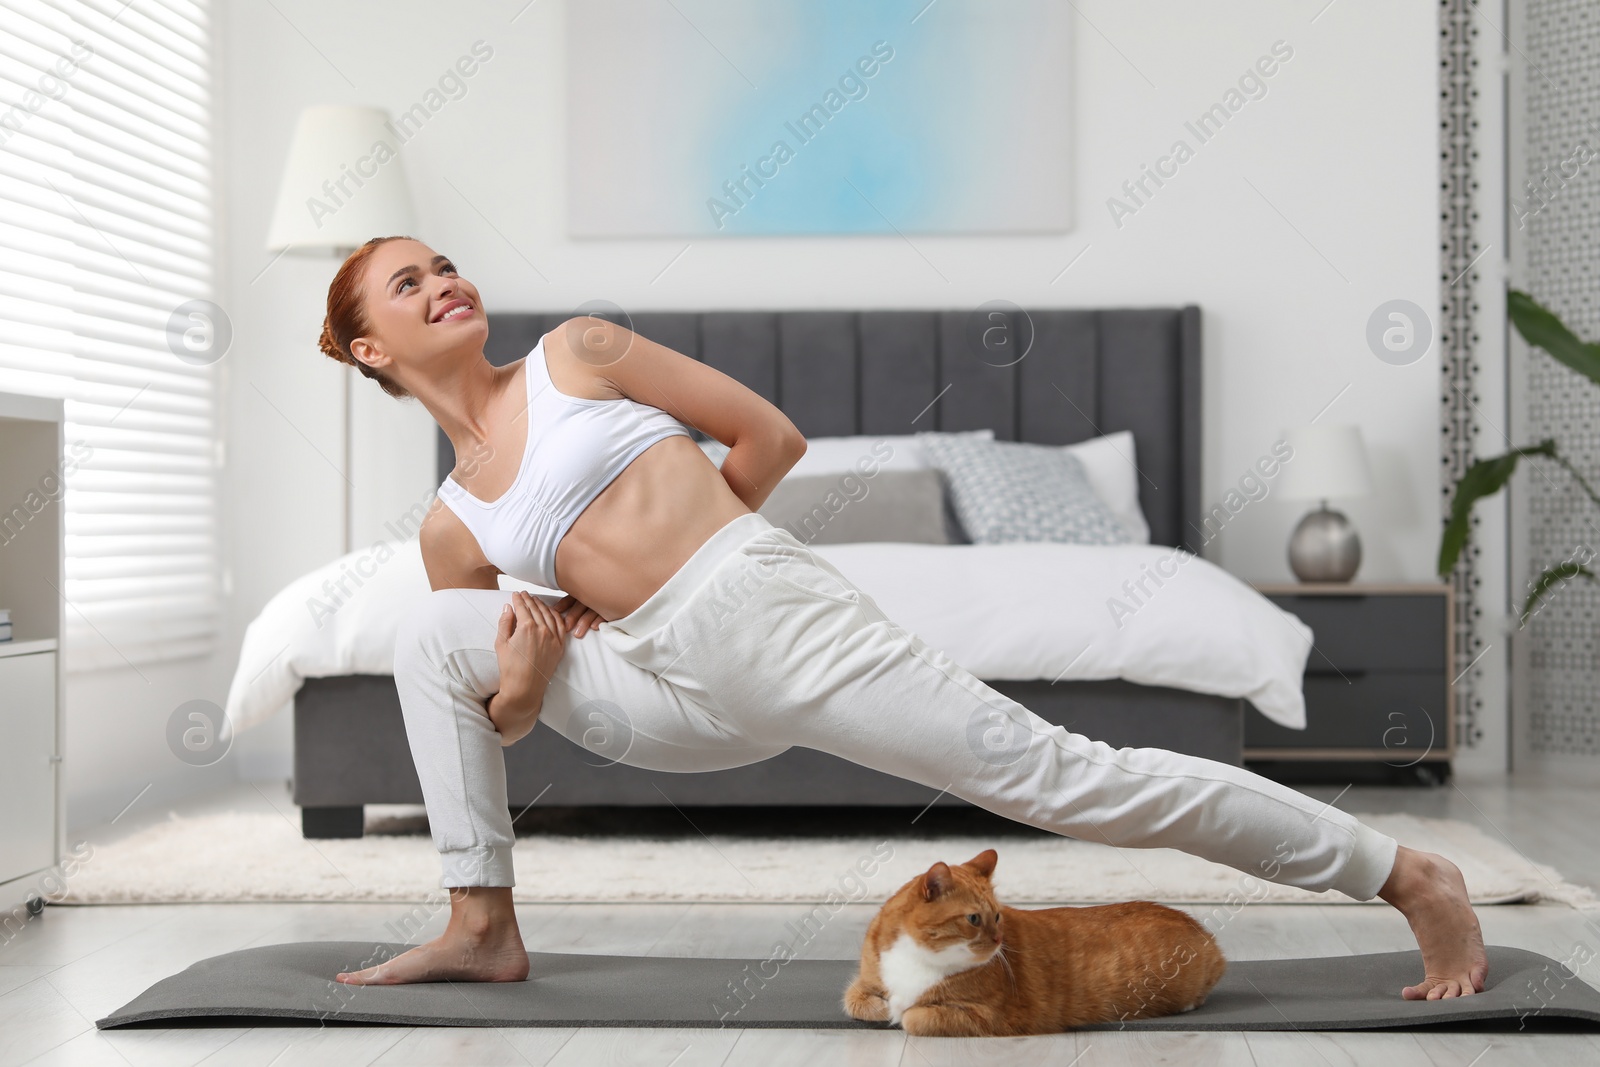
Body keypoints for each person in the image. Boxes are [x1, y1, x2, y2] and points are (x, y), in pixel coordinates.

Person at [319, 236, 1487, 1000]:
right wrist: (527, 684)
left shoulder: (577, 352)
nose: (444, 282)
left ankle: (1404, 874)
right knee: (428, 633)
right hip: (660, 685)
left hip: (780, 621)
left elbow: (771, 439)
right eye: (409, 285)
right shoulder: (449, 527)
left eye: (445, 264)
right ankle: (480, 921)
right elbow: (494, 708)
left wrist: (703, 558)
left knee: (1076, 781)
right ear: (373, 346)